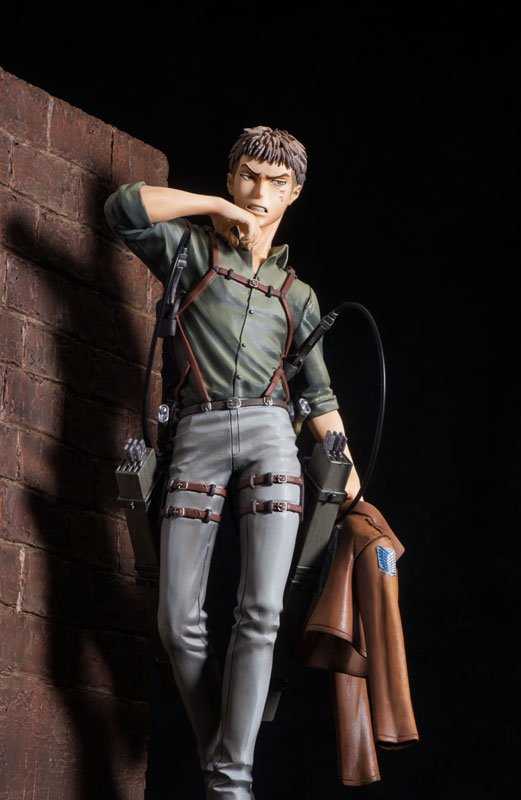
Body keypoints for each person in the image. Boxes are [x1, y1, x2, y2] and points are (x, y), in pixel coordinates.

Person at [104, 126, 361, 800]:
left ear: (294, 193)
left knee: (262, 611)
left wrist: (348, 469)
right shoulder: (189, 252)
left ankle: (229, 781)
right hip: (199, 430)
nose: (259, 191)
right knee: (176, 620)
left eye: (276, 182)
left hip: (275, 437)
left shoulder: (298, 296)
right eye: (247, 175)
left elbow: (318, 393)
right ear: (230, 178)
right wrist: (215, 209)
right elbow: (123, 208)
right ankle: (222, 759)